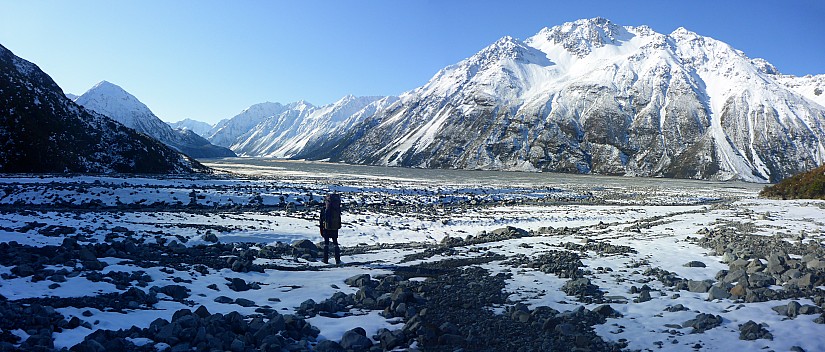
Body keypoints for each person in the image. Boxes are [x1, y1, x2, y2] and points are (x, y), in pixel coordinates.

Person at [319, 193, 342, 264]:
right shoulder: (337, 208)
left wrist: (321, 228)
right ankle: (337, 260)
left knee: (326, 244)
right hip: (335, 227)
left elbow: (321, 219)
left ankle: (325, 260)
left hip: (327, 227)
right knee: (335, 243)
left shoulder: (325, 208)